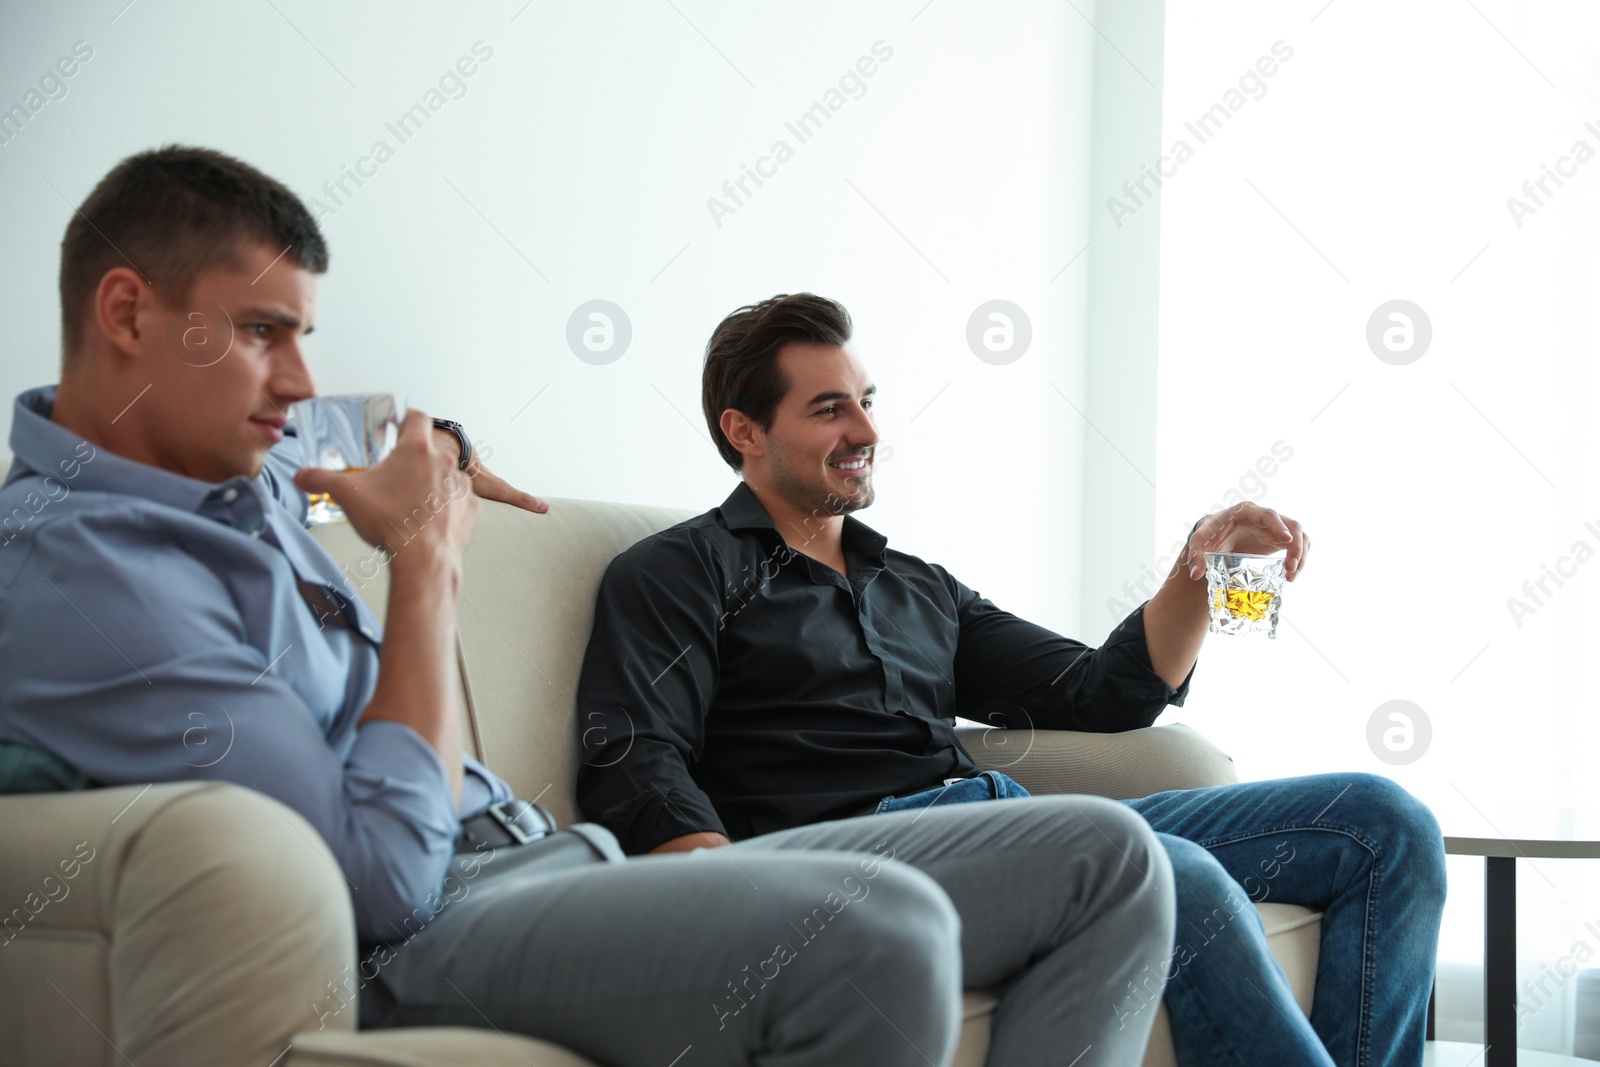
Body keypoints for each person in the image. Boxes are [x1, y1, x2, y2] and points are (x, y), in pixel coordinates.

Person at [0, 147, 1179, 1067]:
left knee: (1110, 856)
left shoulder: (217, 444)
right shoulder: (88, 580)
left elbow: (381, 427)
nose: (302, 379)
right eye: (265, 333)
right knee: (883, 931)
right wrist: (425, 565)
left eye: (302, 333)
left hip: (558, 859)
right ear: (125, 312)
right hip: (428, 922)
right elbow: (381, 881)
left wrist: (443, 445)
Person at [575, 292, 1450, 1067]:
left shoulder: (917, 584)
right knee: (1165, 871)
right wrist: (730, 910)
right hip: (847, 853)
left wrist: (1197, 565)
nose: (869, 433)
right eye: (831, 409)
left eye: (869, 403)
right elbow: (636, 758)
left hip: (1008, 822)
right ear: (745, 431)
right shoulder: (675, 574)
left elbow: (1097, 691)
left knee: (1387, 824)